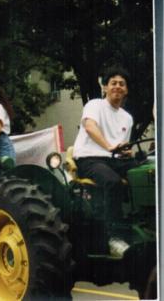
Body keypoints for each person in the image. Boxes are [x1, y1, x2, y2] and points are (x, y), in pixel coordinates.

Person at [72, 66, 136, 252]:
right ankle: (113, 237)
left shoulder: (127, 118)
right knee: (112, 182)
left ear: (127, 90)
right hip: (89, 159)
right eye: (113, 83)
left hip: (113, 160)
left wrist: (127, 152)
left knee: (148, 172)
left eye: (122, 84)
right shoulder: (94, 105)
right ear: (105, 87)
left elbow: (122, 145)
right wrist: (108, 146)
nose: (117, 86)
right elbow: (90, 127)